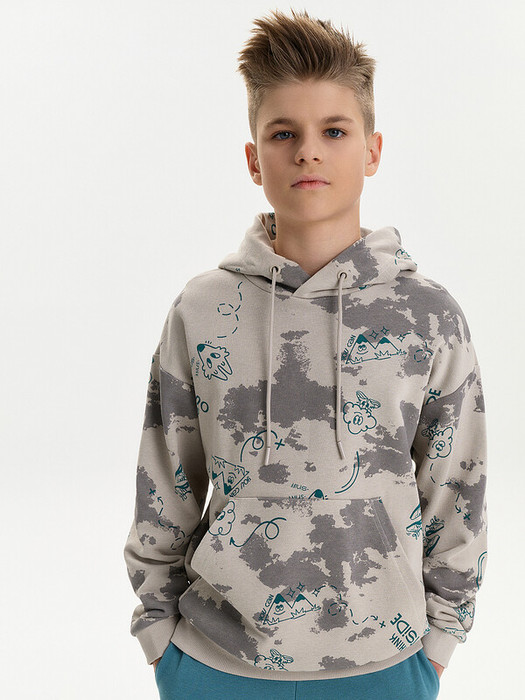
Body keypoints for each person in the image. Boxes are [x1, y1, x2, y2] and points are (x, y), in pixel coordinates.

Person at [123, 8, 488, 700]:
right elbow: (164, 484)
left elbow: (457, 491)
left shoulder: (427, 316)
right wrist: (159, 639)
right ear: (253, 158)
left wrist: (439, 644)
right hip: (211, 663)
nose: (308, 152)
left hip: (386, 666)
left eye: (334, 131)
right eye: (283, 133)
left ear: (372, 151)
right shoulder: (201, 310)